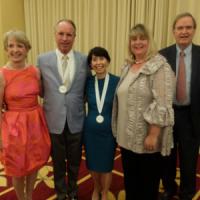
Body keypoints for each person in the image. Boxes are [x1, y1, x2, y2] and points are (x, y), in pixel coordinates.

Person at [112, 24, 175, 200]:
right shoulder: (128, 66)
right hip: (126, 139)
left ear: (149, 41)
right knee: (131, 183)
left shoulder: (159, 66)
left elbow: (162, 103)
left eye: (142, 38)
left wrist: (153, 135)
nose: (137, 42)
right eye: (134, 39)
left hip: (146, 139)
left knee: (147, 186)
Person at [37, 19, 88, 200]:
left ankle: (73, 191)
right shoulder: (42, 60)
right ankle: (60, 192)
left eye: (69, 34)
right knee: (57, 161)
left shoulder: (84, 60)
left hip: (76, 118)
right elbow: (40, 89)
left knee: (75, 161)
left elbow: (86, 89)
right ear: (55, 35)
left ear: (75, 36)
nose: (65, 38)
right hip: (53, 119)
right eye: (61, 34)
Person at [0, 30, 51, 200]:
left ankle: (29, 195)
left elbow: (43, 94)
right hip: (13, 127)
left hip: (35, 123)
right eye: (11, 46)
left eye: (19, 45)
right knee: (17, 167)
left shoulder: (35, 71)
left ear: (27, 48)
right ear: (6, 49)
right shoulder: (2, 74)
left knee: (34, 163)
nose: (15, 50)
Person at [159, 12, 200, 200]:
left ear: (194, 30)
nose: (184, 31)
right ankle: (169, 188)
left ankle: (187, 192)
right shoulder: (162, 55)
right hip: (169, 114)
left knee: (189, 160)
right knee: (166, 156)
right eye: (180, 28)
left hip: (192, 116)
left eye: (188, 27)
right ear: (173, 31)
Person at [83, 47, 119, 200]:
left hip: (109, 132)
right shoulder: (88, 82)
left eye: (101, 58)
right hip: (90, 131)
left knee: (106, 165)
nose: (98, 62)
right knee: (92, 164)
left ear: (108, 60)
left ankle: (104, 191)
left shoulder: (117, 81)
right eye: (94, 59)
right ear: (90, 64)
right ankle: (96, 188)